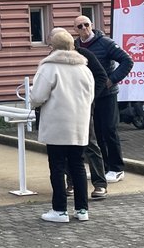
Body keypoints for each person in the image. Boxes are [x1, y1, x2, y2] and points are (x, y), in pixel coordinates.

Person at [30, 29, 95, 223]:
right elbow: (90, 96)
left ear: (52, 46)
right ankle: (82, 209)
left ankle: (59, 210)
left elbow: (38, 97)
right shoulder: (84, 68)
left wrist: (32, 98)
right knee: (78, 165)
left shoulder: (49, 67)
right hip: (79, 124)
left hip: (57, 124)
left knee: (57, 166)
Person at [51, 27, 109, 201]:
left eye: (53, 44)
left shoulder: (84, 55)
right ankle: (71, 182)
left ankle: (100, 183)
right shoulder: (53, 61)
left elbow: (100, 76)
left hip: (82, 107)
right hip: (62, 110)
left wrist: (90, 98)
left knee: (90, 143)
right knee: (67, 145)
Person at [74, 15, 134, 183]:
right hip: (89, 94)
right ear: (75, 29)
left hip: (107, 94)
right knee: (97, 132)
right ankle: (104, 168)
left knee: (110, 130)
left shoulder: (105, 43)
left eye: (86, 24)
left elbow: (127, 61)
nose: (84, 28)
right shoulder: (76, 46)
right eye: (80, 26)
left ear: (91, 25)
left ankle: (117, 168)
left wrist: (111, 80)